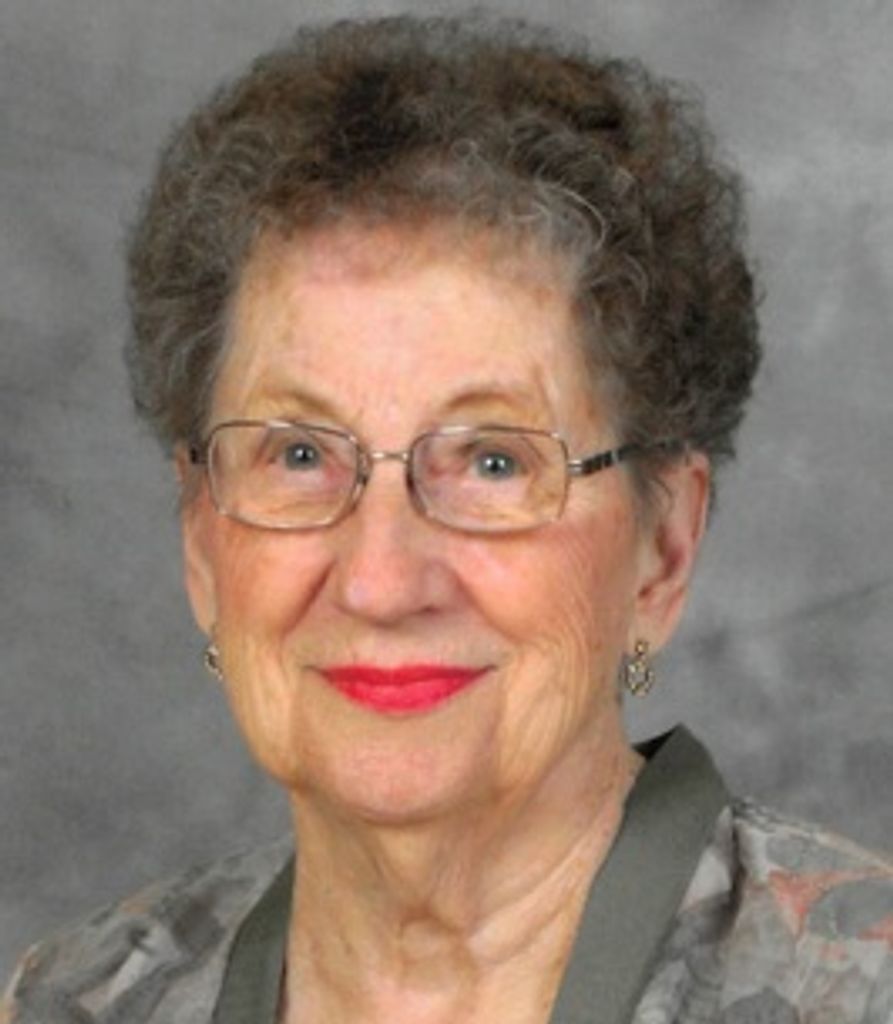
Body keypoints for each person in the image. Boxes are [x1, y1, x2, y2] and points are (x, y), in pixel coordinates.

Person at [3, 14, 890, 1024]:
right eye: (300, 455)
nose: (380, 580)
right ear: (202, 540)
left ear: (661, 550)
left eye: (492, 461)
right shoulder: (75, 1001)